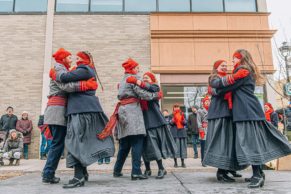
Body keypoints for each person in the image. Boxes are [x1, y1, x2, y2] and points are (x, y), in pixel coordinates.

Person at [212, 49, 291, 188]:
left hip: (246, 111)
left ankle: (257, 175)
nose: (232, 61)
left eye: (234, 59)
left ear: (241, 58)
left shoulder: (243, 70)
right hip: (247, 110)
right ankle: (259, 172)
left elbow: (225, 86)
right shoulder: (244, 70)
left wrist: (216, 88)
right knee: (251, 141)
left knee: (250, 143)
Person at [54, 51, 115, 188]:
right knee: (81, 140)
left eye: (77, 57)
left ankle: (78, 177)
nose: (75, 59)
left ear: (83, 59)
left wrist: (56, 74)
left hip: (81, 110)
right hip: (83, 109)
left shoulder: (85, 69)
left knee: (76, 141)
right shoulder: (86, 70)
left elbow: (65, 77)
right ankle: (83, 173)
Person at [98, 58, 161, 181]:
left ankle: (117, 170)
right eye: (137, 68)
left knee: (125, 143)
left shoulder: (122, 80)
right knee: (137, 141)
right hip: (132, 111)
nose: (139, 70)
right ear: (132, 69)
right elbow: (141, 93)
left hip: (122, 111)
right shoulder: (132, 79)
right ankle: (136, 172)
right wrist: (155, 96)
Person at [42, 48, 98, 184]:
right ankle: (48, 174)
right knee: (58, 143)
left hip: (59, 110)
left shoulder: (63, 69)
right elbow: (66, 87)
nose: (71, 59)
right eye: (69, 57)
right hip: (57, 110)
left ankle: (81, 171)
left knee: (65, 142)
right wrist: (85, 85)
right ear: (62, 58)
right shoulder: (58, 69)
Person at [204, 60, 249, 182]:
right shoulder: (214, 78)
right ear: (216, 67)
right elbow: (216, 88)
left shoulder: (228, 78)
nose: (225, 67)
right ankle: (221, 172)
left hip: (229, 113)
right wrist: (234, 79)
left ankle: (229, 168)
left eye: (226, 65)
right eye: (222, 65)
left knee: (229, 143)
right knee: (222, 142)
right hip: (219, 113)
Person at [126, 71, 177, 179]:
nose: (144, 79)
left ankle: (161, 168)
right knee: (144, 147)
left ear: (152, 79)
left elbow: (152, 88)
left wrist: (138, 82)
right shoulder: (139, 90)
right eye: (143, 77)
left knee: (154, 146)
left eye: (147, 78)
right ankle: (148, 169)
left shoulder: (154, 87)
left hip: (154, 121)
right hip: (142, 122)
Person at [197, 96, 210, 167]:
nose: (207, 103)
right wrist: (201, 131)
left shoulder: (212, 109)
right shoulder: (200, 111)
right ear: (203, 102)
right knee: (203, 146)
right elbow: (198, 121)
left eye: (208, 102)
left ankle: (208, 160)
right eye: (206, 102)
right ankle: (203, 160)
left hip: (211, 128)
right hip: (204, 129)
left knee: (209, 146)